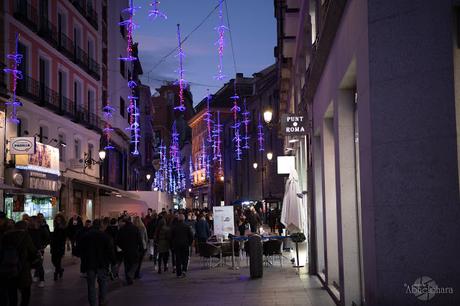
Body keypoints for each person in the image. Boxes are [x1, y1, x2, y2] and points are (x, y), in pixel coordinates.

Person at [0, 221, 37, 306]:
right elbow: (32, 251)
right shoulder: (25, 236)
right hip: (23, 267)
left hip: (9, 267)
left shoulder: (6, 236)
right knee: (26, 292)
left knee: (12, 293)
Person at [80, 219, 115, 306]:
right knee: (103, 284)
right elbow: (110, 251)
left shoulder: (86, 236)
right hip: (102, 264)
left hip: (90, 264)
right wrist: (113, 261)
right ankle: (102, 302)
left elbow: (81, 250)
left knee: (91, 286)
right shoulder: (105, 236)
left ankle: (92, 303)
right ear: (101, 226)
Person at [116, 216, 142, 285]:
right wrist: (141, 248)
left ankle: (128, 279)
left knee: (127, 264)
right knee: (135, 263)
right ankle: (130, 274)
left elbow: (118, 240)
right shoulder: (135, 228)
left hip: (125, 250)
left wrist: (122, 247)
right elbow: (139, 239)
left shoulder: (122, 229)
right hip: (134, 249)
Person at [28, 216, 48, 288]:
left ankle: (42, 280)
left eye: (31, 220)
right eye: (30, 221)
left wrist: (43, 246)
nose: (30, 222)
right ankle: (33, 277)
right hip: (29, 249)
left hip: (38, 249)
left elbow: (47, 238)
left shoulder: (41, 229)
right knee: (29, 264)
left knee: (39, 265)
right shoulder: (28, 229)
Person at [50, 213, 67, 281]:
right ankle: (60, 270)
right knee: (53, 260)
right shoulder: (55, 227)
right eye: (57, 219)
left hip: (60, 246)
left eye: (59, 219)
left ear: (62, 220)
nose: (58, 220)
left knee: (58, 261)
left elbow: (64, 238)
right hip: (54, 246)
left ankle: (56, 273)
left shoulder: (64, 228)